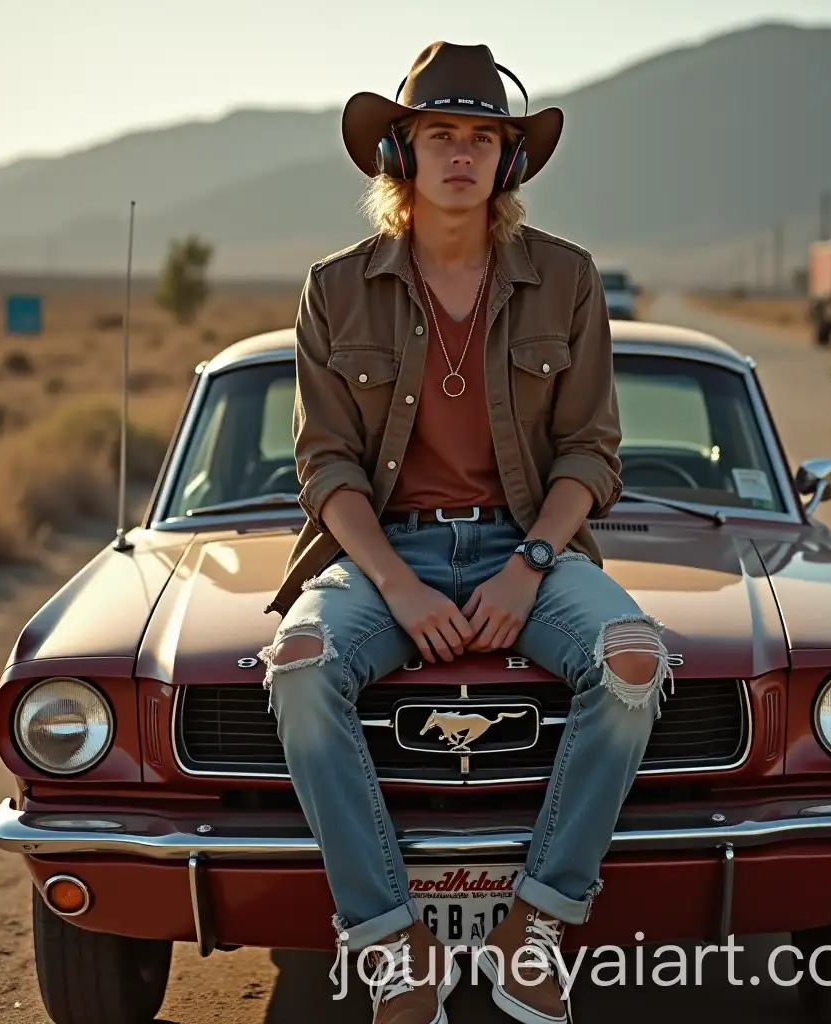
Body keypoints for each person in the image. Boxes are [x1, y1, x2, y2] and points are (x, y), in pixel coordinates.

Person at [258, 40, 673, 1024]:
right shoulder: (334, 286)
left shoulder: (567, 280)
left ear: (510, 161)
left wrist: (529, 567)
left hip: (525, 546)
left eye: (482, 137)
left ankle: (535, 921)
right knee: (302, 667)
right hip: (376, 556)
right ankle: (391, 940)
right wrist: (398, 584)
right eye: (438, 133)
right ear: (397, 154)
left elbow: (590, 452)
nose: (461, 154)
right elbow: (327, 466)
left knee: (631, 661)